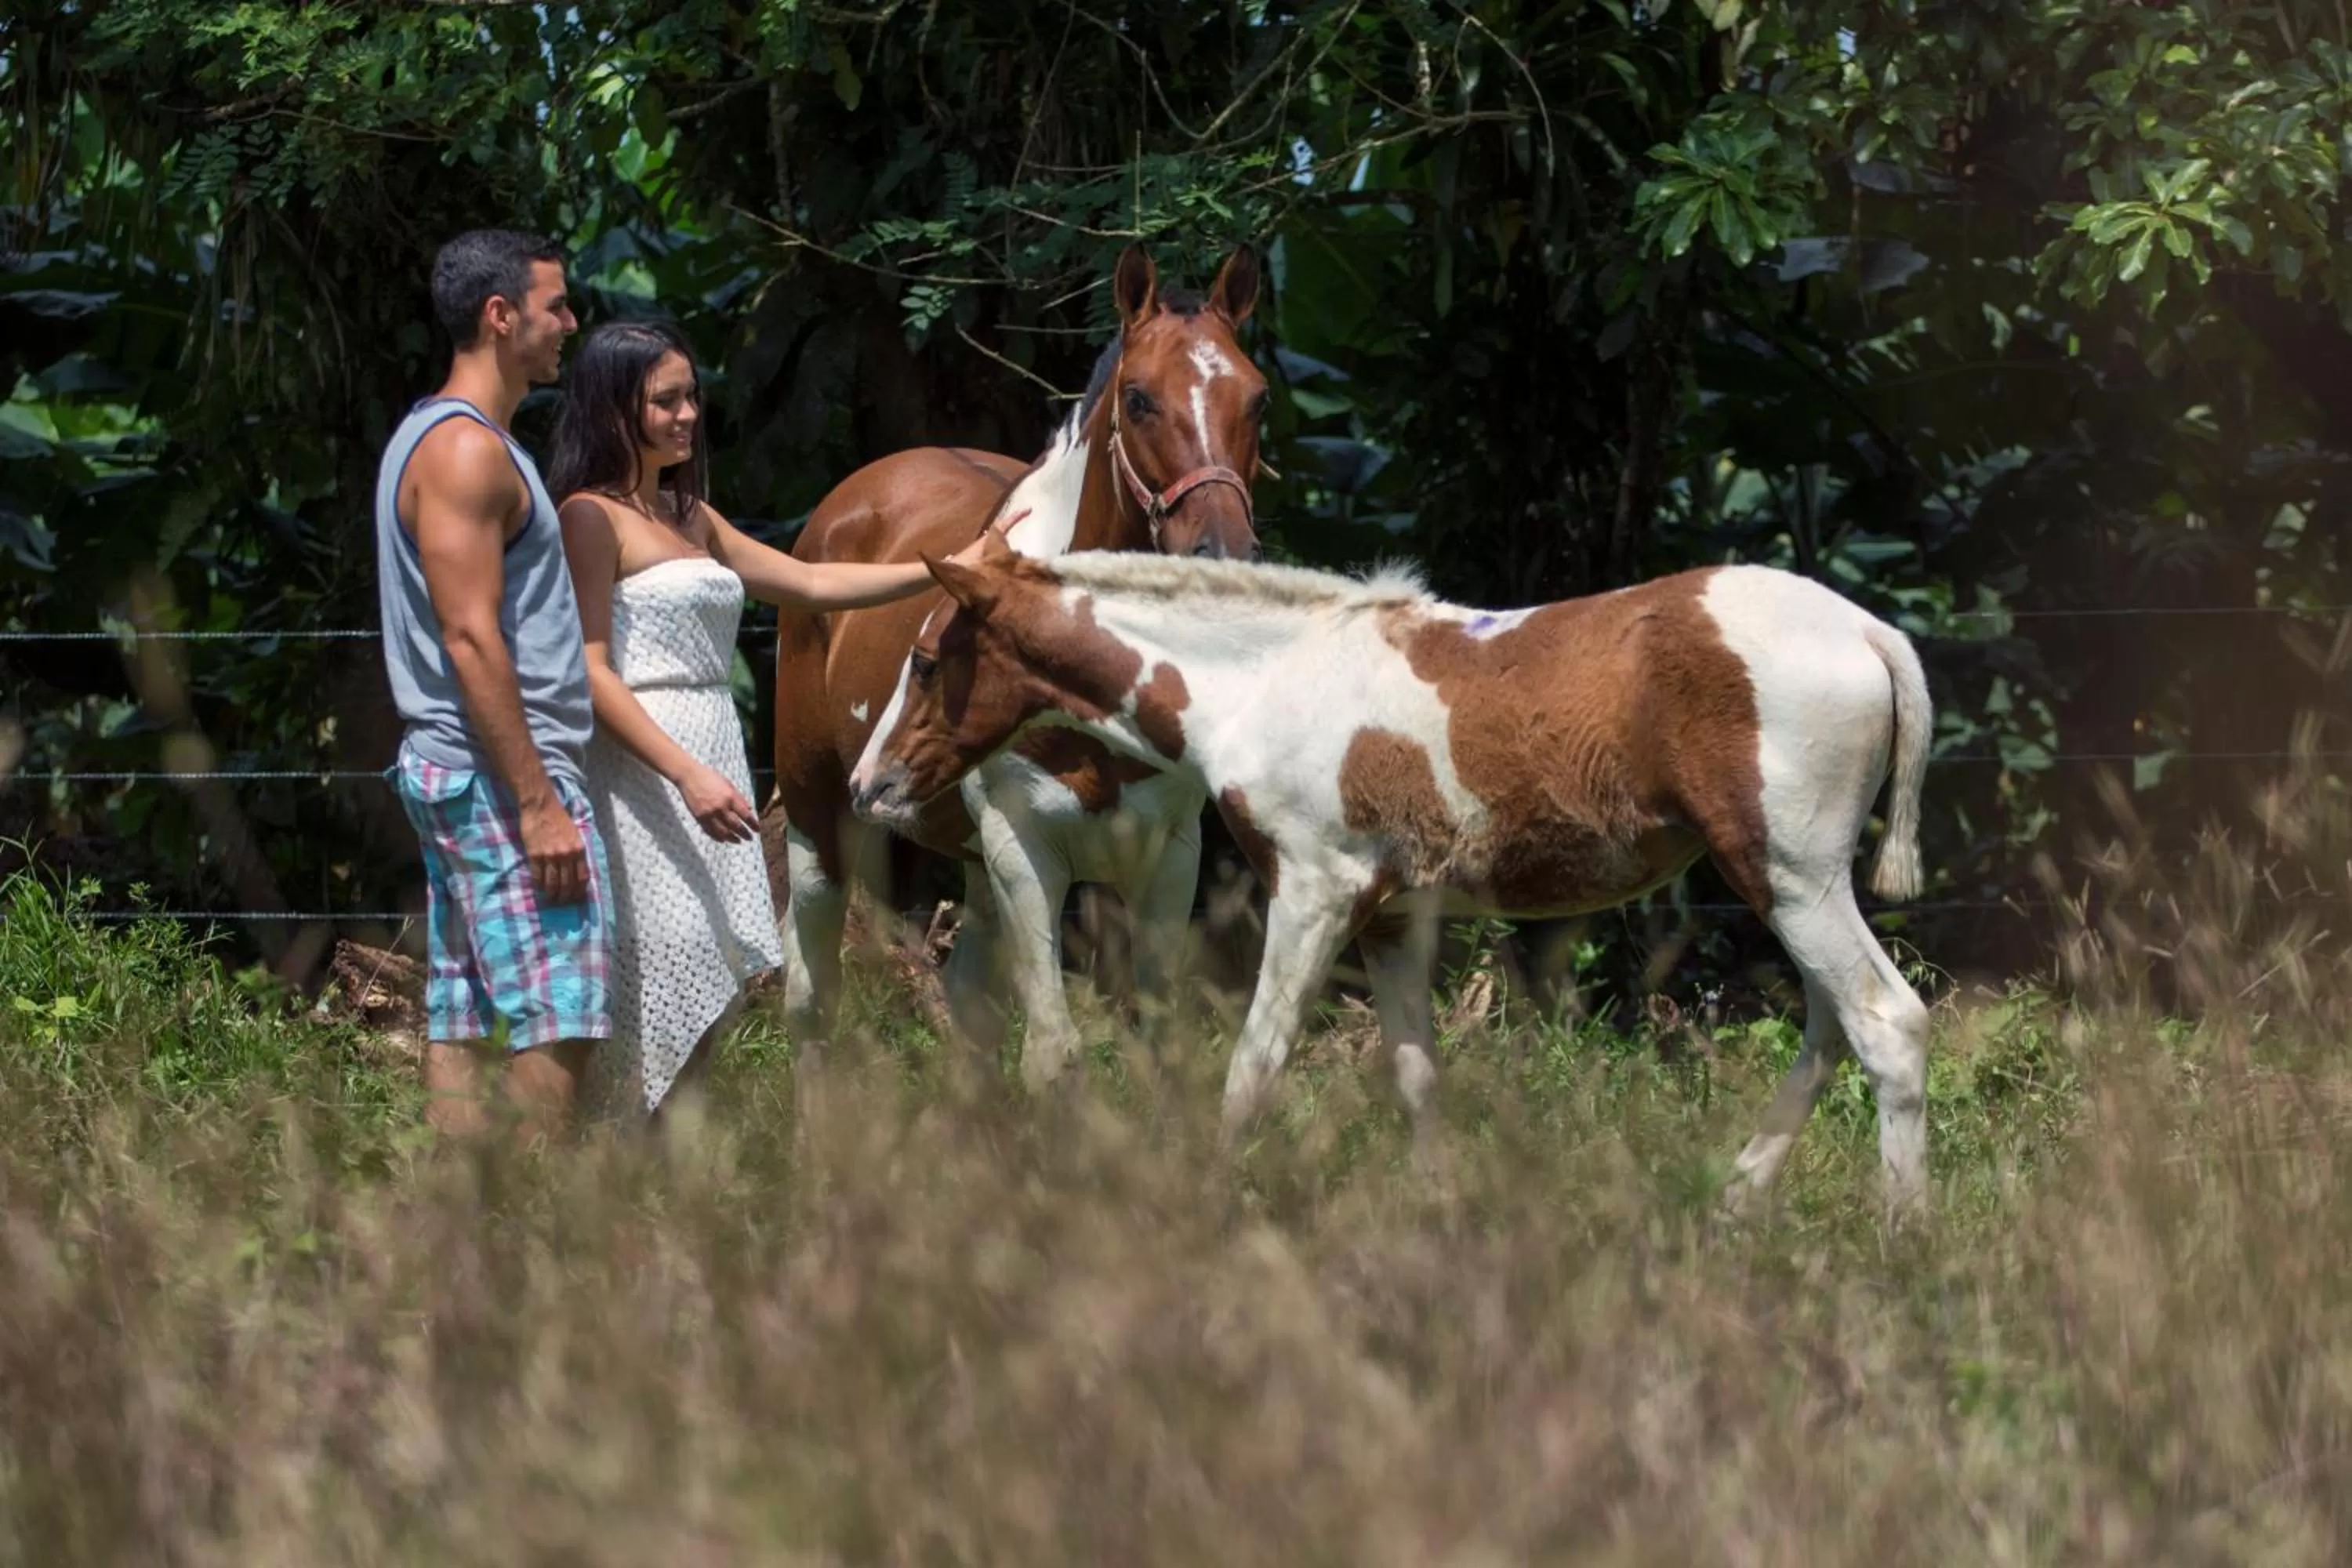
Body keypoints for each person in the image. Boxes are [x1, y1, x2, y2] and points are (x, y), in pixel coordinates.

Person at [549, 321, 989, 1120]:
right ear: (615, 407)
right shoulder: (591, 516)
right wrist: (685, 774)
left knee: (711, 977)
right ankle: (622, 1160)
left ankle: (676, 1171)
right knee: (658, 968)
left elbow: (810, 580)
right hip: (646, 762)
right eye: (666, 399)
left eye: (693, 396)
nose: (688, 414)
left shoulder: (691, 514)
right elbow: (588, 668)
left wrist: (941, 570)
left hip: (710, 737)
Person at [372, 228, 606, 1147]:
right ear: (500, 316)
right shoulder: (468, 454)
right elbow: (471, 637)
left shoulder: (438, 440)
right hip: (500, 782)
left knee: (464, 1013)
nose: (570, 323)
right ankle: (526, 1242)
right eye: (556, 305)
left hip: (461, 772)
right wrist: (538, 800)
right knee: (565, 1010)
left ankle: (460, 1244)